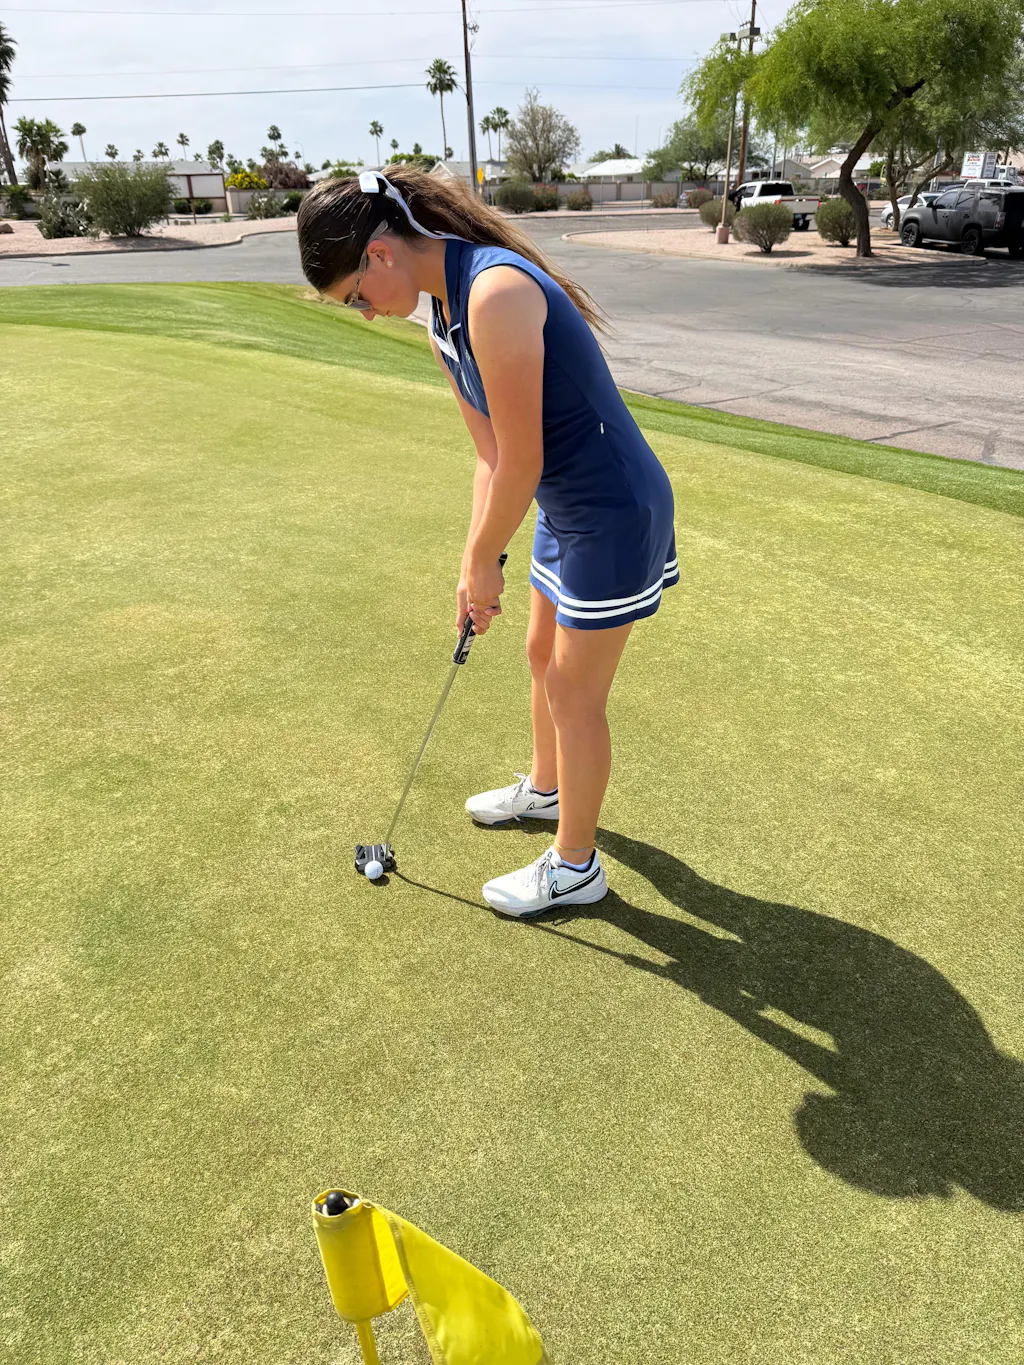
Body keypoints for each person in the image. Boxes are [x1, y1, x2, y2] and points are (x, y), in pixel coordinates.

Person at [297, 168, 678, 917]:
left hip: (612, 508)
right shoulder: (443, 317)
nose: (365, 312)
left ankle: (576, 867)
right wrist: (475, 561)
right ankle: (548, 788)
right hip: (563, 507)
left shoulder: (494, 293)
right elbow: (492, 455)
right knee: (540, 654)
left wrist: (484, 560)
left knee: (572, 690)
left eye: (355, 296)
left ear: (380, 253)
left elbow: (524, 457)